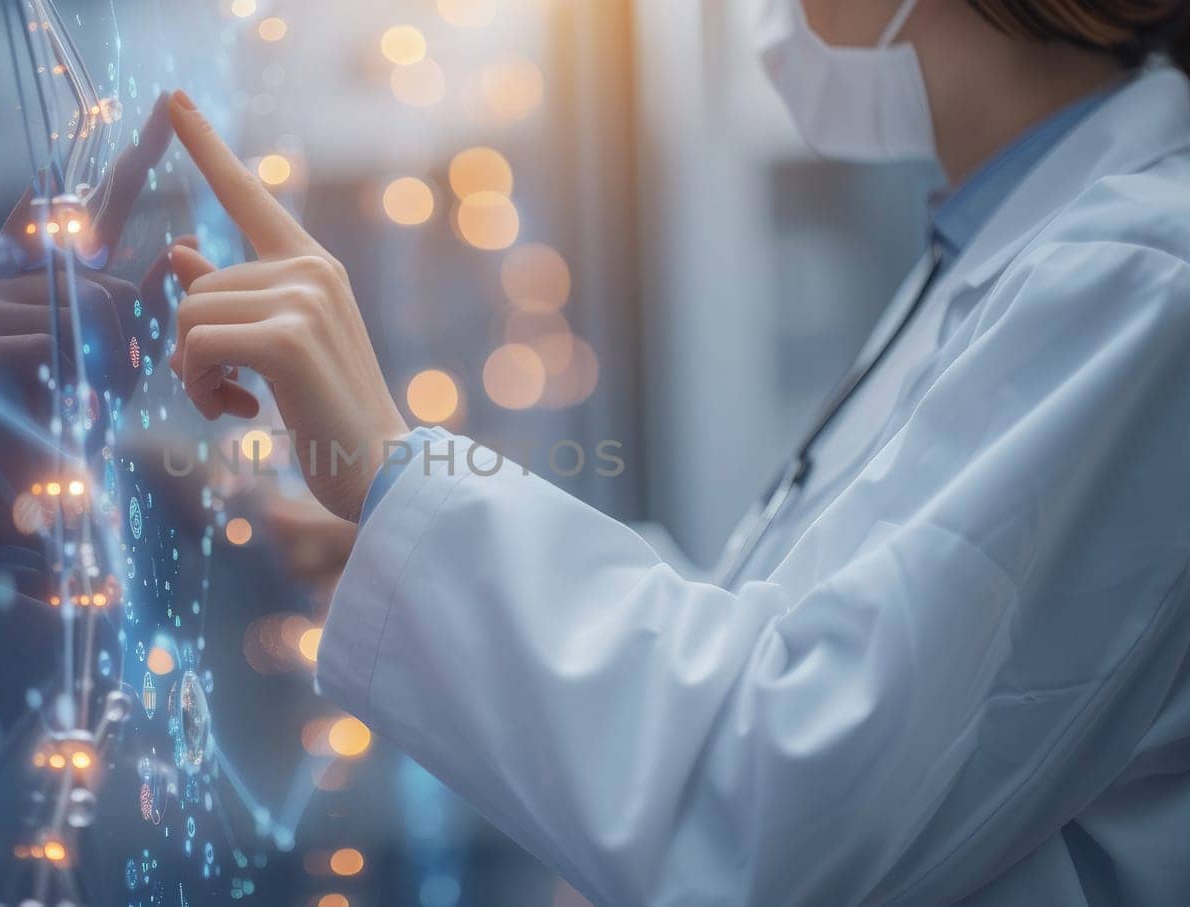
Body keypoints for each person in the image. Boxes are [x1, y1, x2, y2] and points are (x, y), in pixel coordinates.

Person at [154, 0, 1190, 901]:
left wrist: (395, 471)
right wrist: (400, 534)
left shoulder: (1144, 275)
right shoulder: (999, 248)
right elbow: (811, 657)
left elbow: (784, 792)